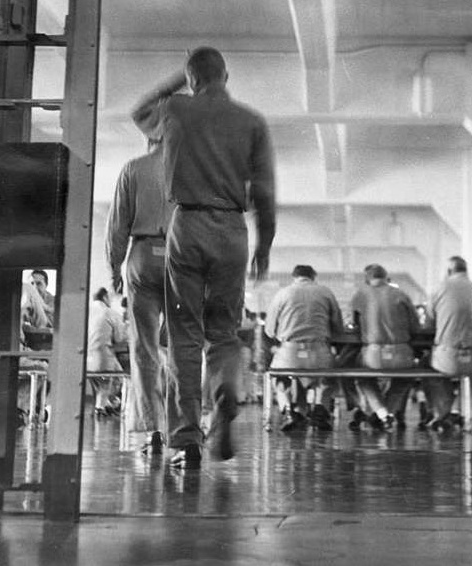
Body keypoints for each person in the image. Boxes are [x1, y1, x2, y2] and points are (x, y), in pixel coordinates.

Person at [131, 46, 276, 470]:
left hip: (188, 226)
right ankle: (225, 392)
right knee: (224, 332)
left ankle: (186, 440)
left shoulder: (175, 109)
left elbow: (140, 111)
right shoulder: (251, 121)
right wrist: (264, 244)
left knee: (184, 335)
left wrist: (182, 79)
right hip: (232, 231)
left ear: (193, 79)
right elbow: (264, 192)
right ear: (226, 77)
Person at [105, 138, 174, 455]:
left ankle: (154, 431)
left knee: (144, 349)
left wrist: (114, 268)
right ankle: (184, 430)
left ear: (150, 138)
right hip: (182, 257)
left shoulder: (134, 168)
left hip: (143, 255)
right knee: (182, 347)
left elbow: (117, 225)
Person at [264, 264, 345, 431]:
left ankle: (288, 410)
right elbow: (338, 327)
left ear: (294, 277)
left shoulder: (282, 294)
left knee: (280, 378)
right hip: (319, 351)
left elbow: (270, 330)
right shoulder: (325, 292)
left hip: (290, 353)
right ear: (313, 276)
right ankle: (320, 410)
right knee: (327, 378)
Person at [423, 256, 472, 432]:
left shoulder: (438, 291)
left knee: (427, 367)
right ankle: (459, 411)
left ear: (448, 272)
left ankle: (442, 413)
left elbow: (429, 324)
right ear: (466, 271)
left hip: (448, 357)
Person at [350, 263, 419, 431]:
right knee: (404, 379)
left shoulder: (360, 295)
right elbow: (415, 326)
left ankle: (381, 413)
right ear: (386, 278)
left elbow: (353, 324)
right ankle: (386, 414)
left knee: (364, 379)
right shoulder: (401, 294)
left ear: (367, 279)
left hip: (373, 355)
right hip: (401, 353)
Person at [86, 287, 128, 417]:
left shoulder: (86, 311)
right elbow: (119, 338)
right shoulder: (110, 313)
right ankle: (103, 407)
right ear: (105, 298)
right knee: (118, 379)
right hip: (102, 359)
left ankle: (104, 405)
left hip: (85, 359)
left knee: (100, 384)